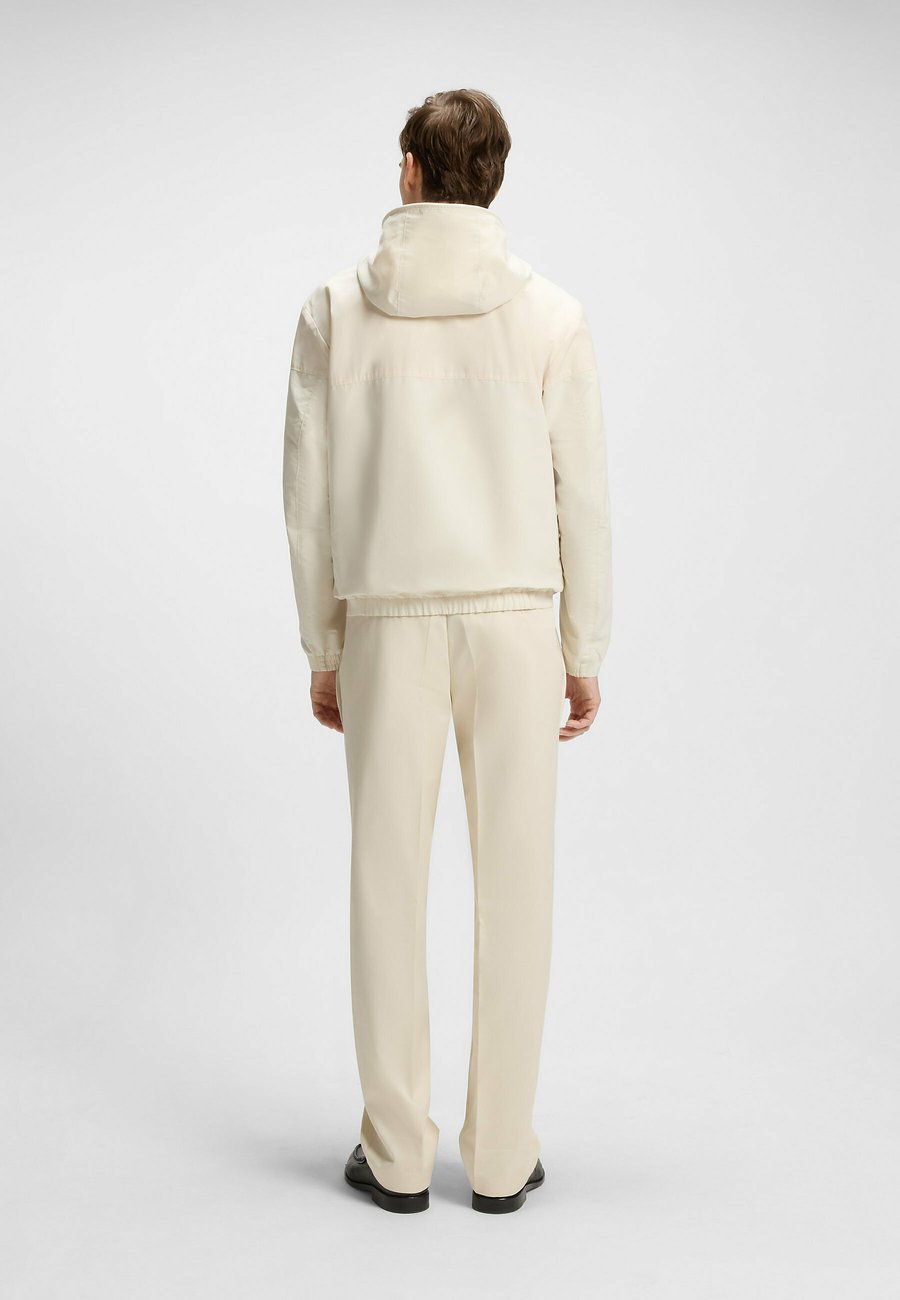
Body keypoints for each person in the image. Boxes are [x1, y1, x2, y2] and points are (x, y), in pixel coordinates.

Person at [282, 88, 612, 1215]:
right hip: (516, 621)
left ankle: (399, 1153)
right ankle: (505, 1157)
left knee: (387, 882)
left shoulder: (335, 311)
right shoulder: (552, 316)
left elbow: (310, 502)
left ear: (412, 173)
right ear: (494, 181)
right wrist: (583, 645)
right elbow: (584, 498)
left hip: (388, 616)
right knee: (518, 883)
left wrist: (324, 644)